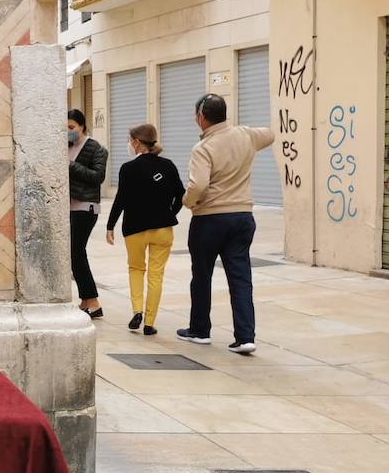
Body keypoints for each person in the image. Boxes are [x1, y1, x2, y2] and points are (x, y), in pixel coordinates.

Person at [177, 94, 274, 355]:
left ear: (201, 117)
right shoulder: (246, 135)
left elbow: (198, 185)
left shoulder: (203, 149)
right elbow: (270, 134)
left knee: (202, 275)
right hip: (242, 217)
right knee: (241, 277)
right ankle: (245, 337)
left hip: (209, 218)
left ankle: (199, 330)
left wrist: (188, 201)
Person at [105, 124, 184, 336]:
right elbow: (181, 194)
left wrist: (110, 225)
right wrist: (170, 214)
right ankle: (149, 322)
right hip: (163, 229)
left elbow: (120, 199)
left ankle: (137, 311)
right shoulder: (168, 166)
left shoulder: (128, 169)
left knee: (136, 269)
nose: (129, 144)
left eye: (130, 140)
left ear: (137, 143)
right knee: (156, 275)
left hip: (134, 229)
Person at [67, 108, 107, 319]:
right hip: (68, 207)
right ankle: (86, 301)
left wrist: (71, 166)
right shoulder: (67, 145)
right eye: (65, 129)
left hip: (86, 207)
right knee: (73, 254)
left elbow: (97, 176)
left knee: (76, 252)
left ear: (82, 126)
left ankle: (93, 300)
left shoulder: (96, 149)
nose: (69, 132)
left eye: (72, 128)